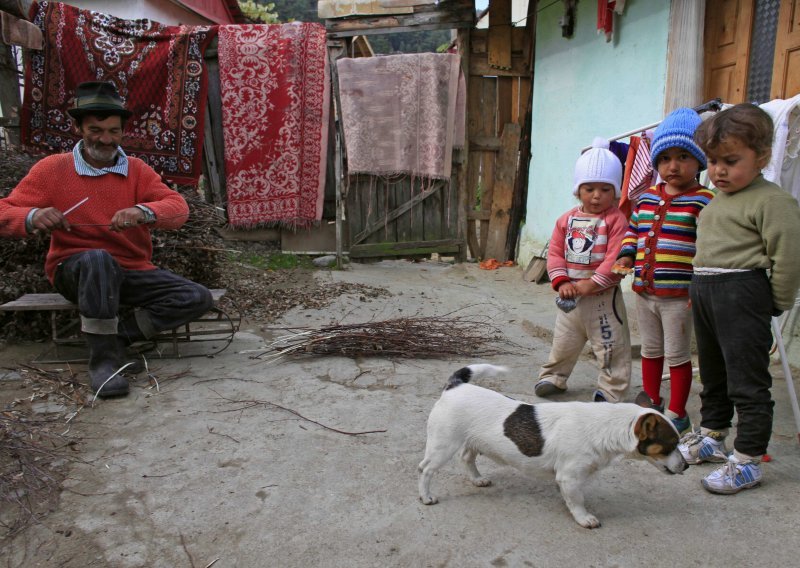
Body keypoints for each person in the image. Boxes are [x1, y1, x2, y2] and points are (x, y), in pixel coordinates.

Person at [0, 81, 213, 398]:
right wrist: (32, 217)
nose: (106, 139)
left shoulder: (137, 171)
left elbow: (178, 209)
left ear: (123, 131)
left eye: (114, 131)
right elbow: (5, 211)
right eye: (96, 130)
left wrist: (143, 212)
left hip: (130, 270)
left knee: (197, 297)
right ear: (78, 127)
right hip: (75, 272)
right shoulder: (53, 169)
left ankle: (116, 338)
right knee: (97, 258)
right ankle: (104, 363)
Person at [677, 103, 800, 494]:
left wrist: (775, 301)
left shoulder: (772, 201)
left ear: (762, 156)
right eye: (712, 161)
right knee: (712, 374)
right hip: (708, 293)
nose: (719, 171)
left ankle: (748, 459)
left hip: (743, 293)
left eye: (731, 161)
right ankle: (713, 436)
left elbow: (789, 255)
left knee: (746, 381)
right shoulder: (715, 200)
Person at [615, 108, 715, 433]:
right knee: (650, 349)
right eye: (665, 158)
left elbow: (710, 248)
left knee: (677, 353)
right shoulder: (645, 199)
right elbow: (633, 232)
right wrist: (626, 257)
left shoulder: (704, 201)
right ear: (656, 162)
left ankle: (677, 411)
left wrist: (698, 288)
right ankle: (652, 401)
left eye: (683, 156)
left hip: (679, 297)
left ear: (699, 161)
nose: (673, 165)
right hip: (644, 292)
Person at [535, 137, 631, 403]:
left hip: (602, 298)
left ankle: (612, 390)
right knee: (564, 341)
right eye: (589, 188)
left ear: (616, 192)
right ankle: (553, 377)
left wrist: (592, 283)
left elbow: (616, 256)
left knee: (610, 346)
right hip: (570, 297)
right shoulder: (566, 220)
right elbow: (554, 253)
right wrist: (562, 281)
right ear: (578, 190)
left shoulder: (616, 221)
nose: (597, 195)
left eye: (605, 189)